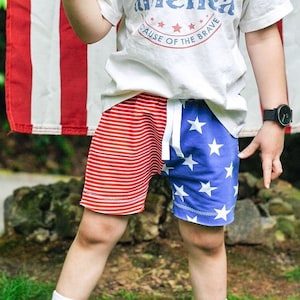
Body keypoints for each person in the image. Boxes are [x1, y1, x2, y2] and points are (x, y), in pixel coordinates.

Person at [52, 0, 293, 299]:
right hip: (131, 109)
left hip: (212, 117)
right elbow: (91, 29)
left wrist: (275, 118)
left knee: (205, 239)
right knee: (97, 229)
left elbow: (263, 34)